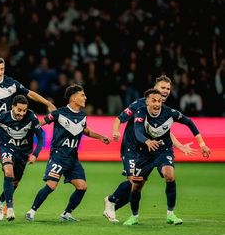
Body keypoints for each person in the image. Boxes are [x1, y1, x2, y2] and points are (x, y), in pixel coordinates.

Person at [0, 38, 56, 216]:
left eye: (2, 69)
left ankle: (4, 200)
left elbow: (29, 94)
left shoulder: (12, 84)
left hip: (7, 132)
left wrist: (47, 103)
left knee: (12, 174)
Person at [103, 75, 197, 222]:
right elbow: (119, 118)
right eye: (162, 88)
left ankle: (113, 207)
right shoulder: (139, 105)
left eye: (167, 89)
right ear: (155, 88)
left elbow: (164, 131)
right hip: (132, 147)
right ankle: (110, 200)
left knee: (137, 185)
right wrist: (115, 131)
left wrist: (179, 146)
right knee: (133, 180)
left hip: (148, 149)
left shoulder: (161, 109)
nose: (165, 91)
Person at [122, 88, 211, 225]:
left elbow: (189, 122)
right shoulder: (140, 113)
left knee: (169, 175)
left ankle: (171, 214)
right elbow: (138, 132)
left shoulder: (170, 113)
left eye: (159, 101)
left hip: (164, 151)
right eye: (153, 101)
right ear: (147, 102)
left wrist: (202, 144)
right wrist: (147, 141)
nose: (157, 104)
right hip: (144, 153)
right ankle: (134, 216)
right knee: (136, 186)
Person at [25, 85, 110, 222]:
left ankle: (66, 214)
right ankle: (31, 211)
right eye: (82, 95)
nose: (85, 97)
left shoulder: (82, 115)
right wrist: (29, 132)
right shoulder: (59, 113)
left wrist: (100, 137)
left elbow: (85, 130)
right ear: (73, 98)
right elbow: (41, 123)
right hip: (58, 156)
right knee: (51, 185)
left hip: (72, 158)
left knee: (82, 186)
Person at [0, 95, 44, 221]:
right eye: (19, 110)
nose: (22, 113)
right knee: (8, 172)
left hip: (23, 152)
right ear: (12, 107)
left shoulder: (31, 117)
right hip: (7, 148)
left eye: (24, 110)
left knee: (15, 182)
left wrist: (35, 154)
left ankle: (0, 202)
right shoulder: (2, 118)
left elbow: (41, 137)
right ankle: (10, 208)